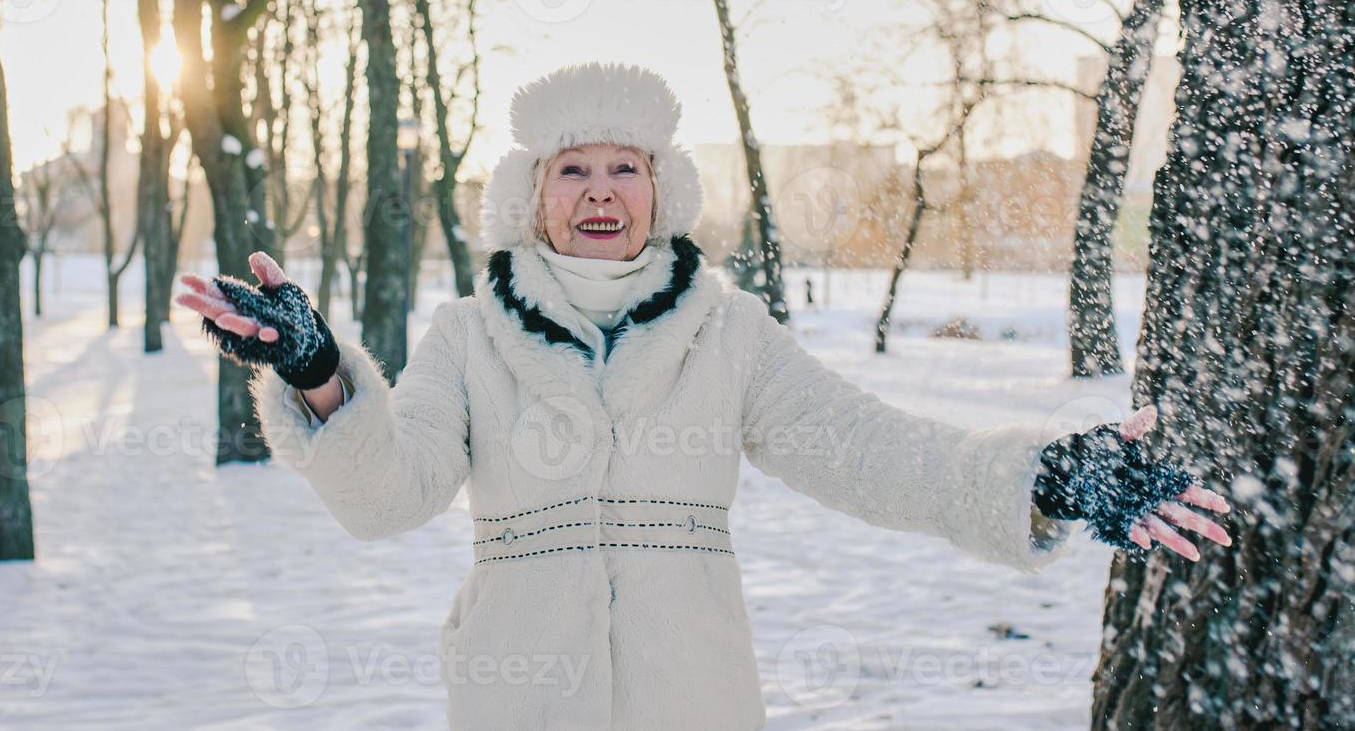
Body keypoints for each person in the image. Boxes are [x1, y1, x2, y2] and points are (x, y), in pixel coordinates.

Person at [176, 62, 1232, 731]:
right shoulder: (467, 332)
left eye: (623, 167)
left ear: (661, 187)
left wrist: (1036, 472)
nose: (599, 191)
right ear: (530, 195)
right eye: (571, 168)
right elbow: (386, 495)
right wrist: (316, 369)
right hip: (515, 700)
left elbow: (870, 449)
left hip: (696, 697)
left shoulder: (726, 330)